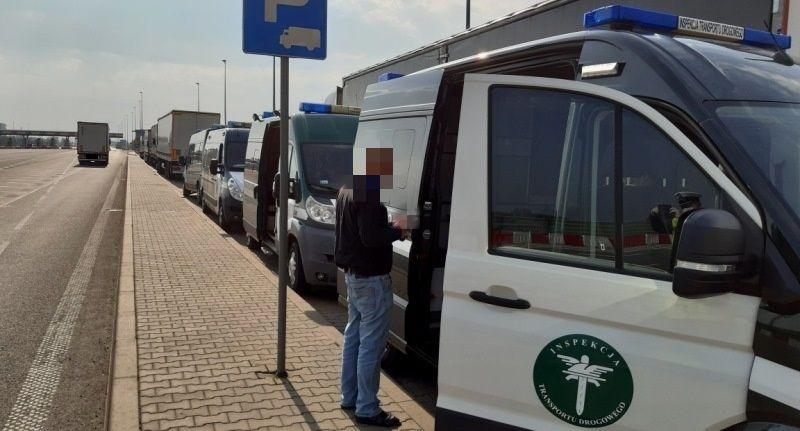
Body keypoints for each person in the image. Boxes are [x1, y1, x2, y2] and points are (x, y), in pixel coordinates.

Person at [335, 147, 408, 427]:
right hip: (372, 280)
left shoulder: (346, 190)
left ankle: (349, 397)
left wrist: (388, 225)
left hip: (354, 277)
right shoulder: (368, 195)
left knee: (353, 338)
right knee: (371, 345)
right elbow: (370, 236)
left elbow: (361, 229)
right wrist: (398, 231)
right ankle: (367, 408)